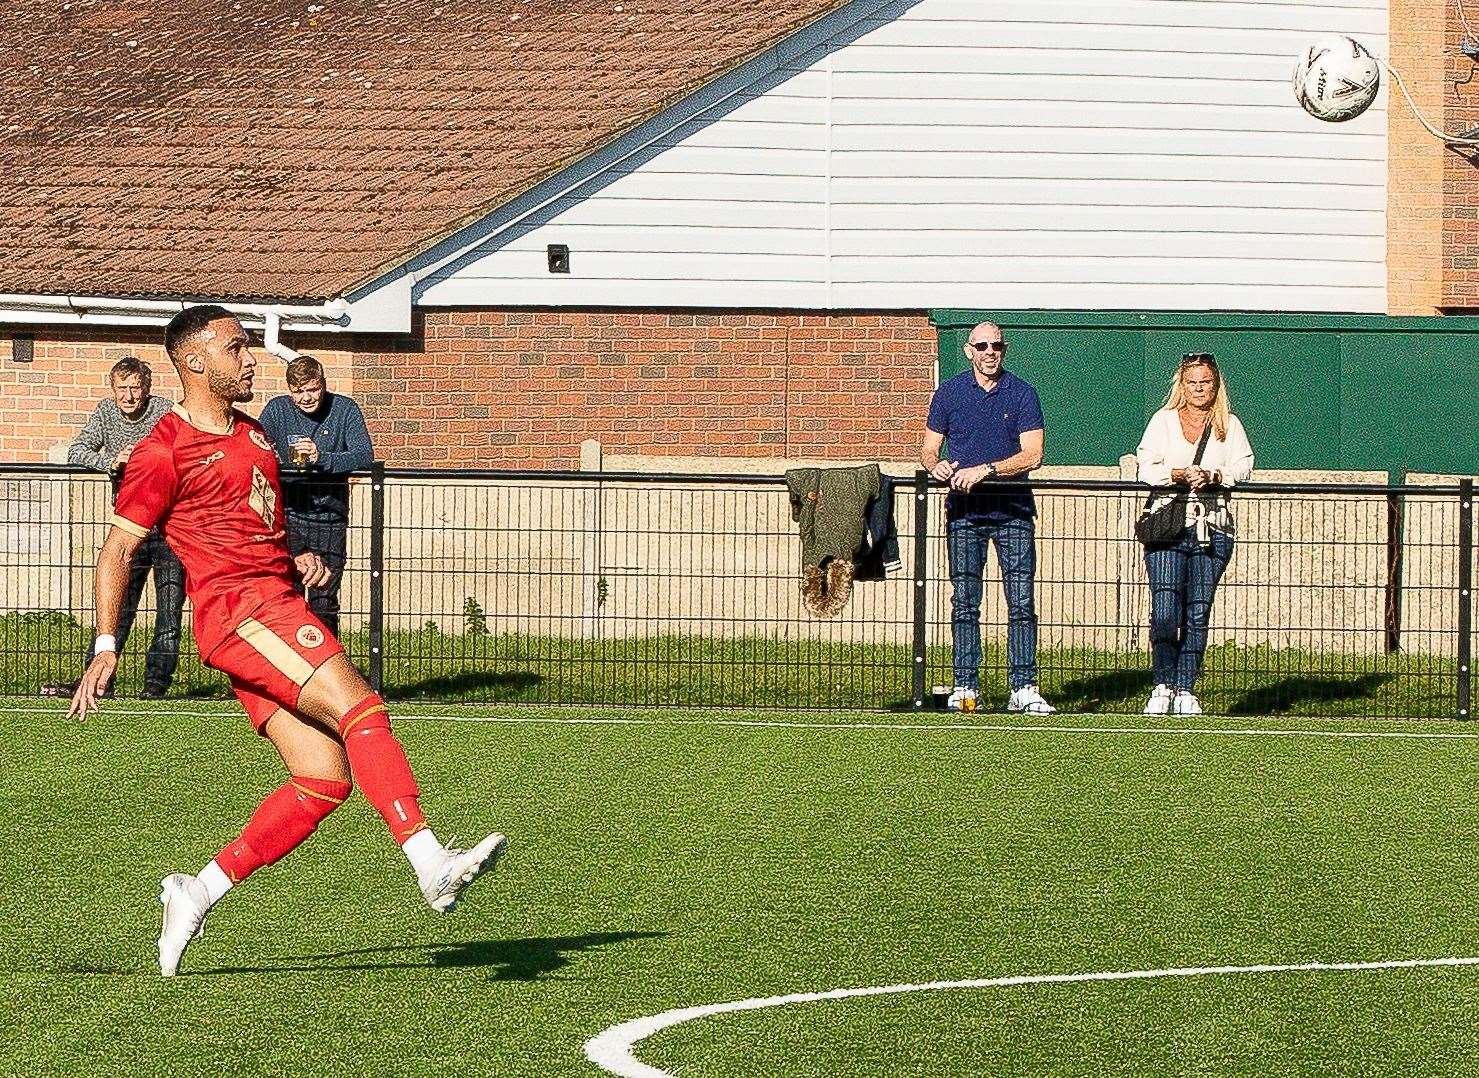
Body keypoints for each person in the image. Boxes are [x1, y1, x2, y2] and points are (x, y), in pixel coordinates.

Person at [68, 305, 506, 977]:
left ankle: (198, 890)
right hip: (241, 615)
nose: (250, 359)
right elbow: (118, 549)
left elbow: (256, 519)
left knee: (322, 780)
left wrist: (298, 553)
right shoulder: (163, 449)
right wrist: (105, 645)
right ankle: (429, 863)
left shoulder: (252, 434)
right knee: (361, 707)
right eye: (237, 347)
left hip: (273, 602)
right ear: (194, 363)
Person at [921, 321, 1054, 714]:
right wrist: (937, 466)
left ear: (1004, 349)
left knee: (1021, 601)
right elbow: (928, 448)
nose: (990, 352)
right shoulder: (948, 392)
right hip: (964, 513)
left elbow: (1033, 454)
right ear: (968, 350)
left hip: (1013, 512)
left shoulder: (1023, 393)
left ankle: (1024, 686)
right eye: (982, 346)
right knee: (964, 600)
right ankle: (965, 686)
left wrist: (988, 470)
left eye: (997, 345)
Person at [1134, 352, 1255, 716]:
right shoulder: (1163, 421)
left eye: (1205, 381)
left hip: (1212, 527)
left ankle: (1186, 686)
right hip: (1167, 527)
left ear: (1215, 384)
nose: (1199, 388)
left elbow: (1244, 466)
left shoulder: (1228, 425)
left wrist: (1215, 476)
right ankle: (1162, 682)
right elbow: (1145, 467)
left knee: (1198, 611)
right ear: (1181, 385)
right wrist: (1178, 474)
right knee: (1165, 607)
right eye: (1192, 382)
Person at [64, 357, 184, 698]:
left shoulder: (164, 410)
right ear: (113, 389)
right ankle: (100, 682)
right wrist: (112, 460)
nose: (129, 396)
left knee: (170, 611)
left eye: (135, 388)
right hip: (128, 524)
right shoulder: (106, 412)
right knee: (117, 607)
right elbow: (77, 450)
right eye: (122, 389)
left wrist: (146, 457)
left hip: (169, 525)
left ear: (146, 389)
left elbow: (182, 452)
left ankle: (155, 687)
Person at [259, 355, 373, 637]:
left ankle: (326, 672)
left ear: (323, 384)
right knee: (287, 599)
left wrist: (323, 458)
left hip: (329, 519)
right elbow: (257, 449)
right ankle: (290, 672)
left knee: (324, 602)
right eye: (298, 392)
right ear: (289, 390)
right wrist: (270, 455)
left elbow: (364, 455)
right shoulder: (277, 410)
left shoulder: (344, 409)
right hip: (288, 516)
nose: (306, 397)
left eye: (312, 389)